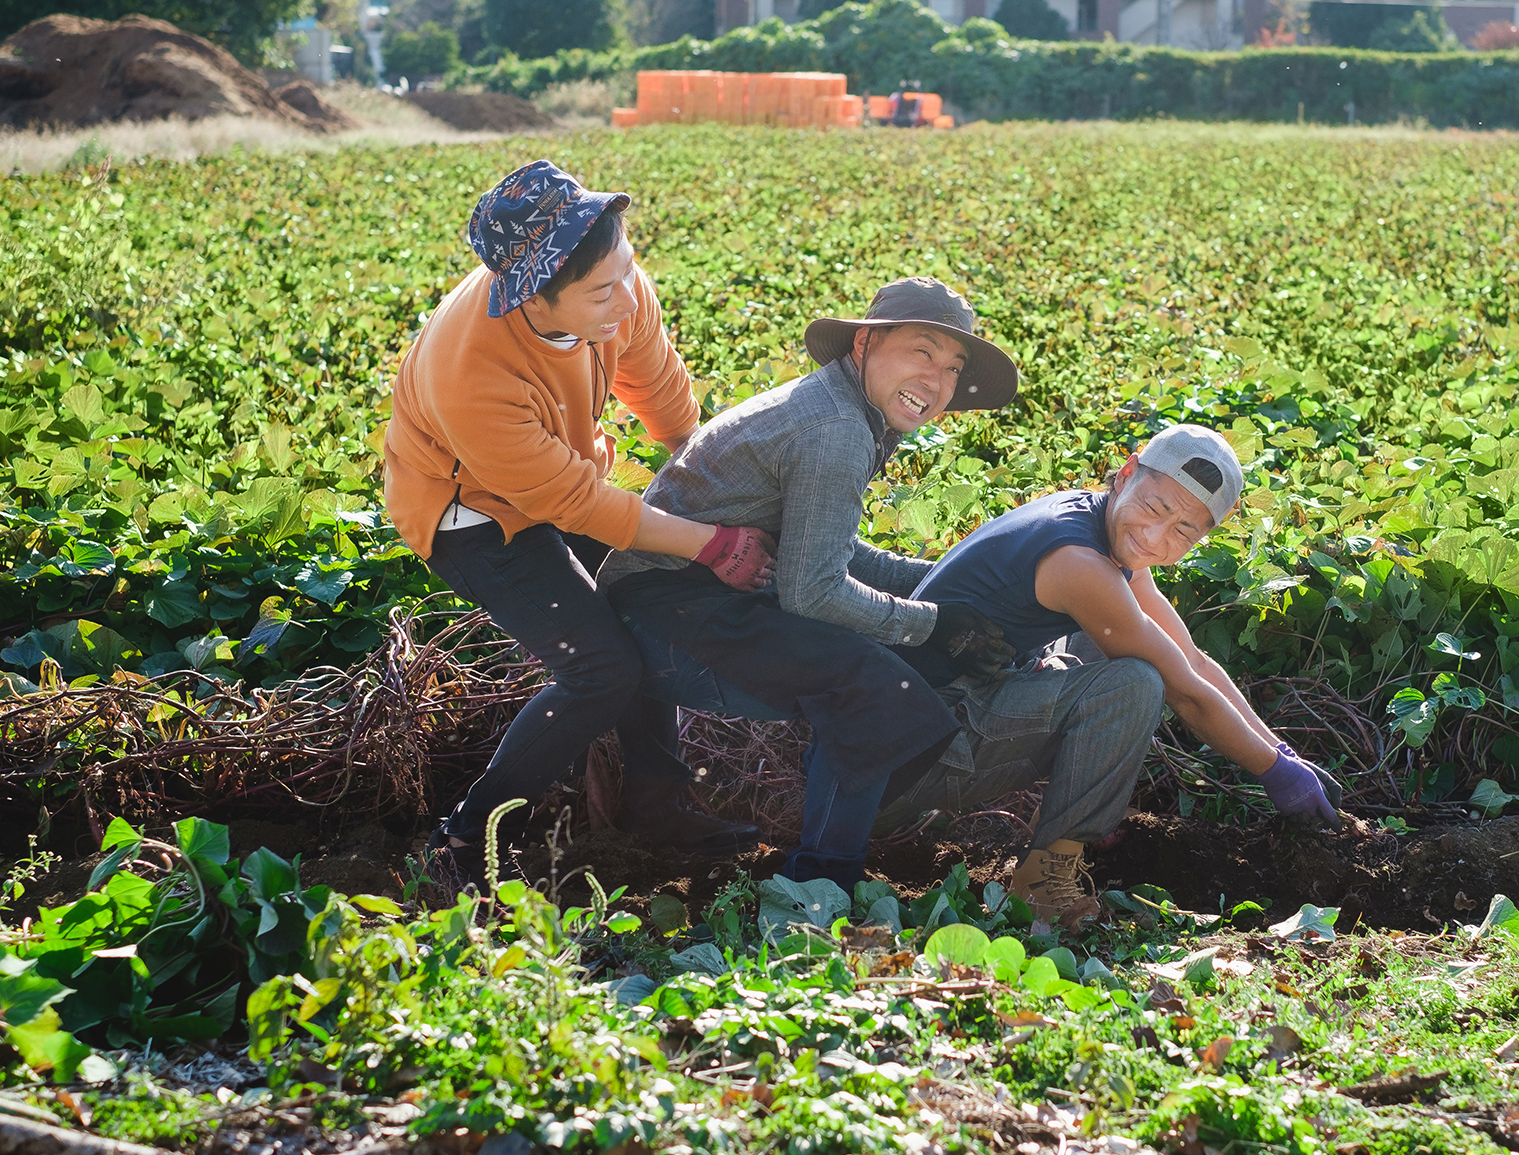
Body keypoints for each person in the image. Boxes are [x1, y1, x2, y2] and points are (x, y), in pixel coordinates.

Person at [382, 160, 774, 891]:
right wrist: (714, 545)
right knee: (600, 668)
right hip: (470, 511)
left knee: (648, 596)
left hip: (562, 470)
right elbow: (575, 506)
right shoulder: (471, 372)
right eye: (603, 291)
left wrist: (707, 483)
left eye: (628, 270)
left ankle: (657, 805)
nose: (626, 298)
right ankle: (466, 839)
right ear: (535, 296)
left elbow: (657, 385)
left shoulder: (613, 285)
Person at [599, 278, 1021, 893]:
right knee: (870, 682)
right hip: (661, 616)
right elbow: (814, 593)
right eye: (922, 352)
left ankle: (813, 856)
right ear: (865, 345)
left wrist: (943, 589)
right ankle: (823, 879)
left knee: (877, 659)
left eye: (954, 367)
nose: (937, 381)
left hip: (692, 597)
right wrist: (933, 621)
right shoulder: (836, 431)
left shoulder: (844, 409)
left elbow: (832, 551)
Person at [874, 422, 1344, 928]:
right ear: (1125, 475)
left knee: (1119, 648)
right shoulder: (1080, 562)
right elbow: (1186, 693)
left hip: (937, 718)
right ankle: (1042, 881)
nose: (1155, 537)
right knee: (1136, 683)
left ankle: (1042, 850)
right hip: (899, 765)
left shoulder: (1105, 527)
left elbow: (1192, 659)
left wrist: (1282, 752)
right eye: (1155, 508)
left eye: (1184, 531)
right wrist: (1273, 774)